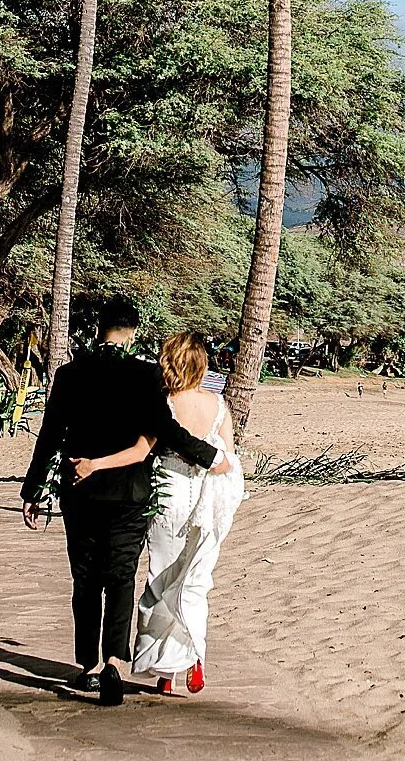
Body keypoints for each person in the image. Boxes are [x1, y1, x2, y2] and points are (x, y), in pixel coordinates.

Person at [20, 295, 222, 707]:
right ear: (132, 332)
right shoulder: (145, 376)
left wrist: (31, 490)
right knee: (121, 577)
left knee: (86, 580)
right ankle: (114, 659)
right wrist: (210, 457)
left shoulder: (70, 374)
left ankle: (88, 666)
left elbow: (50, 434)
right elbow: (164, 429)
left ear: (99, 327)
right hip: (130, 496)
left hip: (81, 492)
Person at [132, 331, 245, 696]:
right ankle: (195, 657)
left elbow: (143, 449)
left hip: (170, 493)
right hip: (206, 499)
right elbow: (229, 459)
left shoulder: (162, 403)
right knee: (196, 582)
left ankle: (166, 672)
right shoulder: (218, 405)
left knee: (161, 578)